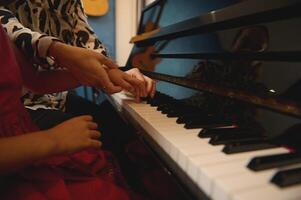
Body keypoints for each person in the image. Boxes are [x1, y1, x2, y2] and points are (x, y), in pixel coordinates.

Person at [0, 21, 140, 199]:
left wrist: (103, 75)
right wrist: (53, 140)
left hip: (26, 138)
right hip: (18, 158)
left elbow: (36, 80)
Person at [0, 0, 156, 152]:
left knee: (120, 128)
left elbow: (87, 42)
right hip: (21, 106)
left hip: (57, 94)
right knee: (101, 145)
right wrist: (56, 49)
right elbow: (12, 32)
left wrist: (115, 71)